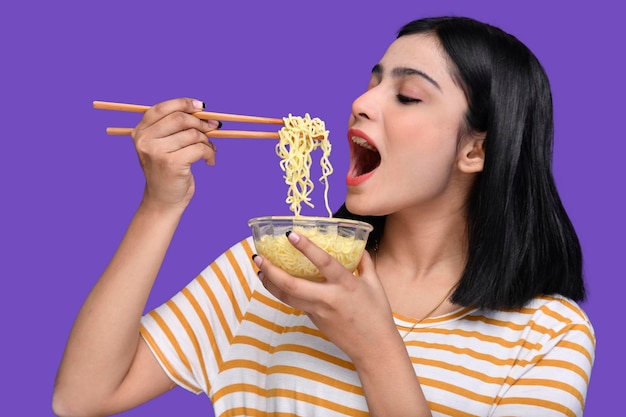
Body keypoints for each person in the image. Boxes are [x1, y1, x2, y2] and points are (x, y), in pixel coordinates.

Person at [52, 16, 595, 417]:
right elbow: (81, 397)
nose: (362, 101)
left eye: (406, 95)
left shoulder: (548, 336)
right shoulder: (269, 270)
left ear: (475, 151)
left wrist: (375, 345)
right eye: (373, 81)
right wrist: (161, 203)